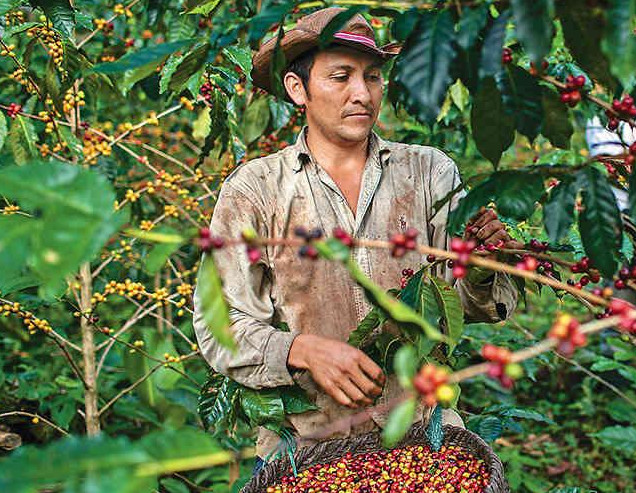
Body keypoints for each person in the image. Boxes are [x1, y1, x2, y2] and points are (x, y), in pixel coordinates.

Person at [192, 7, 519, 468]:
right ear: (296, 88)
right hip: (308, 449)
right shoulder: (255, 190)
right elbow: (220, 329)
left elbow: (464, 304)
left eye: (372, 77)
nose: (362, 94)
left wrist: (484, 267)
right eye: (340, 77)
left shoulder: (428, 172)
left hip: (427, 441)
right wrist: (300, 350)